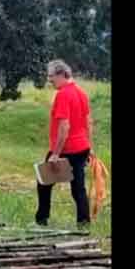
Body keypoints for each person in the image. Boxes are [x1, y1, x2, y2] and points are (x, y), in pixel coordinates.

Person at [37, 59, 94, 228]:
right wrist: (90, 147)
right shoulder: (81, 92)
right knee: (78, 189)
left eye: (51, 76)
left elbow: (64, 126)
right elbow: (88, 122)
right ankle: (84, 223)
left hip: (66, 149)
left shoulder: (63, 94)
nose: (50, 80)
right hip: (82, 147)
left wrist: (56, 153)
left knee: (44, 181)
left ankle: (41, 219)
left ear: (62, 74)